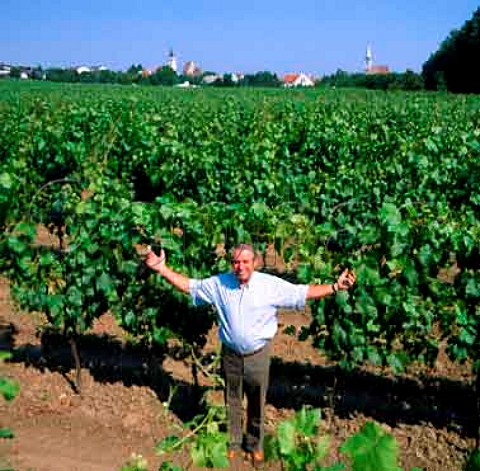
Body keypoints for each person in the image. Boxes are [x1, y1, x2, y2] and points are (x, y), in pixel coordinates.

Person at [145, 243, 356, 467]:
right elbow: (191, 286)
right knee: (232, 399)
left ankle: (255, 444)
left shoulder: (269, 285)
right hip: (231, 355)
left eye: (245, 261)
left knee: (256, 401)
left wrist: (334, 286)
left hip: (258, 355)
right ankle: (234, 443)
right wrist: (162, 269)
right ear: (231, 264)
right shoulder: (220, 283)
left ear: (255, 263)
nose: (240, 266)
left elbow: (301, 292)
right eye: (236, 262)